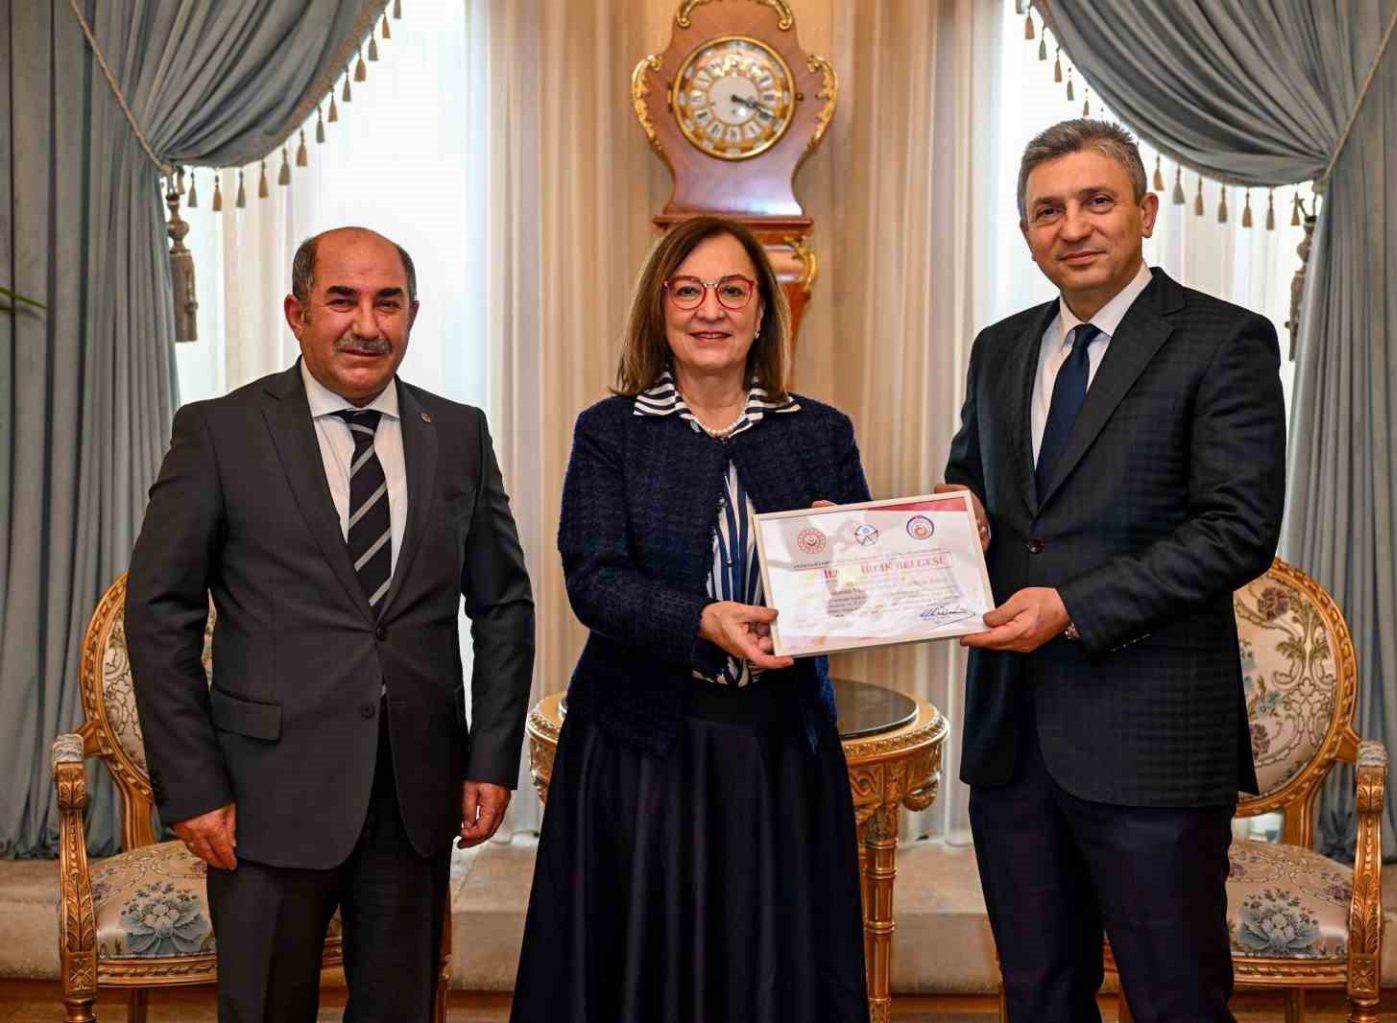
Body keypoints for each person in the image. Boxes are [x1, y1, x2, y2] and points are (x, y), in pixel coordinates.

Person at [126, 227, 535, 1022]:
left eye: (388, 303)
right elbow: (160, 612)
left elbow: (503, 604)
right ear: (298, 312)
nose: (367, 325)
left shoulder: (458, 433)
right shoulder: (220, 432)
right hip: (262, 800)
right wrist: (194, 784)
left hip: (415, 798)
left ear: (413, 313)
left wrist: (491, 757)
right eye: (342, 300)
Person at [942, 119, 1286, 1022]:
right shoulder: (999, 347)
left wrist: (1073, 605)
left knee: (1176, 998)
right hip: (1013, 741)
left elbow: (1236, 530)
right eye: (1047, 211)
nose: (1073, 227)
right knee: (1039, 994)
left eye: (1097, 201)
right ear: (1026, 232)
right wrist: (955, 508)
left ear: (1146, 210)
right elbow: (973, 474)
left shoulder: (1224, 340)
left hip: (1152, 742)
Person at [511, 215, 870, 1023]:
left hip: (780, 750)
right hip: (641, 749)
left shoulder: (821, 432)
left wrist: (846, 556)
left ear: (762, 311)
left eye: (733, 290)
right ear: (660, 306)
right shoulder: (610, 431)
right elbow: (593, 580)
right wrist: (702, 617)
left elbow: (857, 592)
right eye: (689, 290)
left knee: (775, 974)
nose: (711, 310)